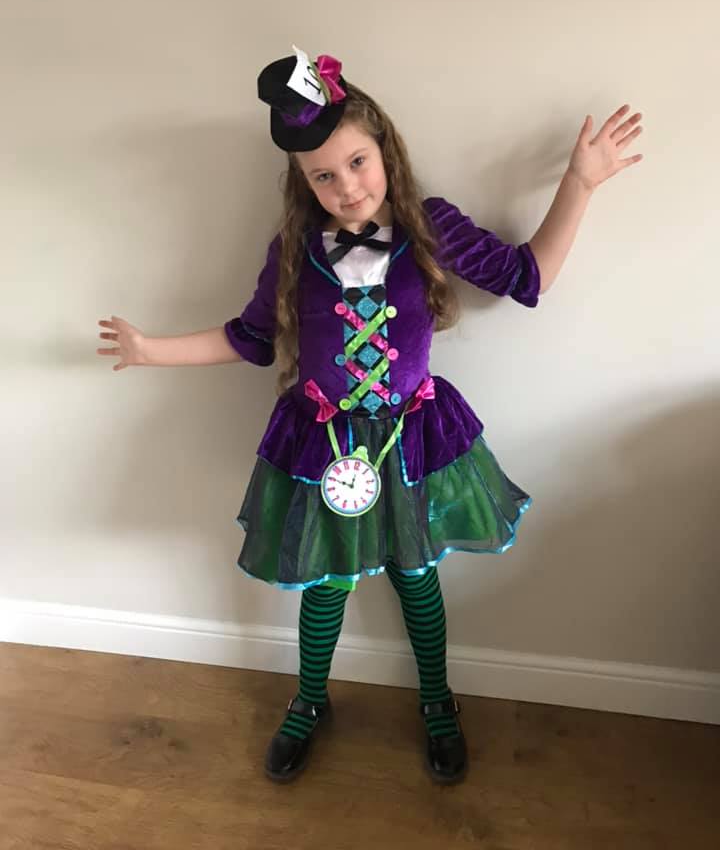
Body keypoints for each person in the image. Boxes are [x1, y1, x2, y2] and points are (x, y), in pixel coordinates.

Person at [97, 45, 643, 786]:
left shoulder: (431, 226)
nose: (346, 186)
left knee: (417, 577)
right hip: (324, 445)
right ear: (302, 181)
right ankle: (309, 699)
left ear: (384, 149)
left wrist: (579, 182)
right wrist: (150, 350)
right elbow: (251, 338)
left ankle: (437, 701)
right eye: (323, 175)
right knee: (326, 581)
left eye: (357, 162)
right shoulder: (293, 251)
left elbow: (527, 275)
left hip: (413, 440)